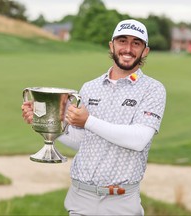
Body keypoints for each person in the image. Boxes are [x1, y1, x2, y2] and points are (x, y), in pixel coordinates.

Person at [22, 19, 166, 216]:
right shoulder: (90, 88)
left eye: (136, 43)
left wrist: (88, 121)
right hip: (81, 198)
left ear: (145, 51)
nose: (128, 48)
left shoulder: (153, 89)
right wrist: (47, 122)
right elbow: (83, 142)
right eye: (122, 41)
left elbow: (138, 140)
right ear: (112, 45)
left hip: (121, 202)